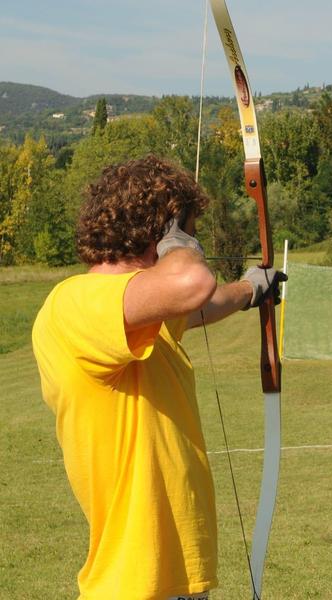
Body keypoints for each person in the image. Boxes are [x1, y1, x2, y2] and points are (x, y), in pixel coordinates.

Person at [31, 155, 285, 600]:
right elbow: (190, 285)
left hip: (175, 580)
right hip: (134, 584)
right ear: (160, 231)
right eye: (184, 228)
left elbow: (200, 305)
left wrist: (250, 290)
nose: (190, 240)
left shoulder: (137, 314)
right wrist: (179, 244)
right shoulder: (75, 303)